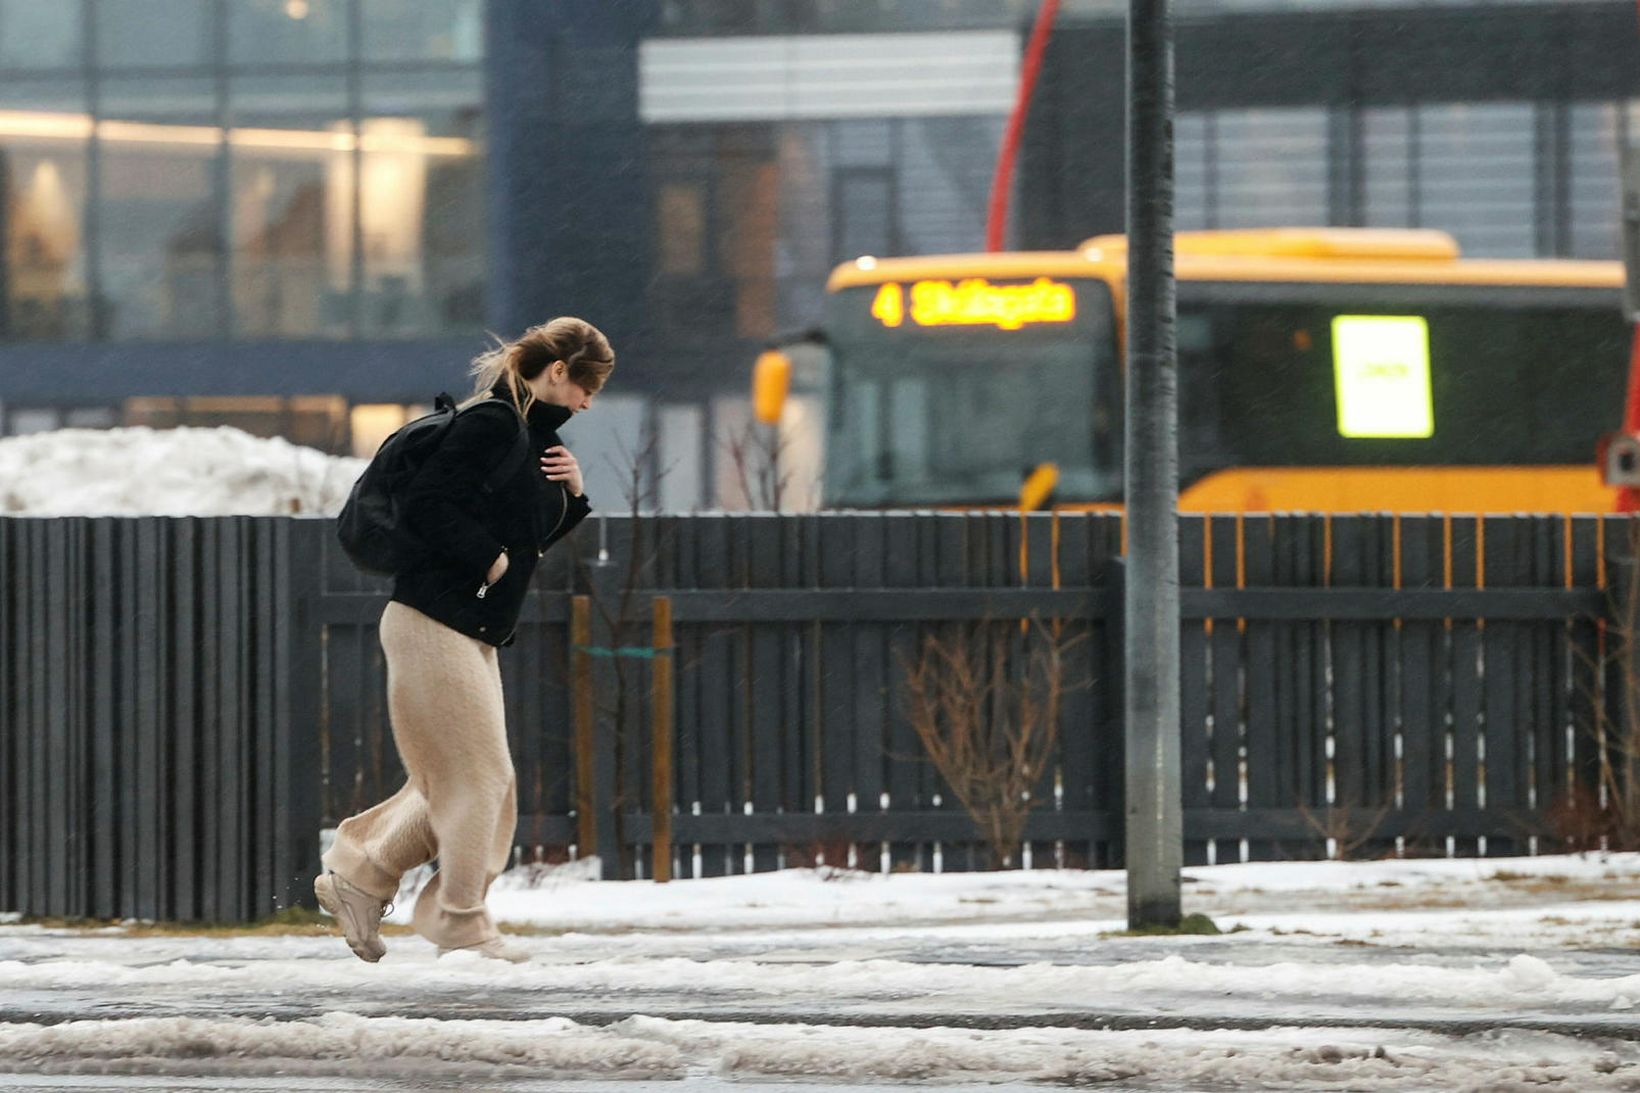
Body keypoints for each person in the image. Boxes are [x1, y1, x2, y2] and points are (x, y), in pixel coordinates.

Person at [314, 317, 614, 964]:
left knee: (463, 780)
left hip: (470, 627)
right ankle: (459, 916)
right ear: (558, 372)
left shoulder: (527, 439)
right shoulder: (491, 424)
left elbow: (524, 543)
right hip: (432, 620)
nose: (590, 403)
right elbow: (427, 505)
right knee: (483, 777)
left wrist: (574, 496)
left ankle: (361, 876)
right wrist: (490, 560)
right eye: (588, 387)